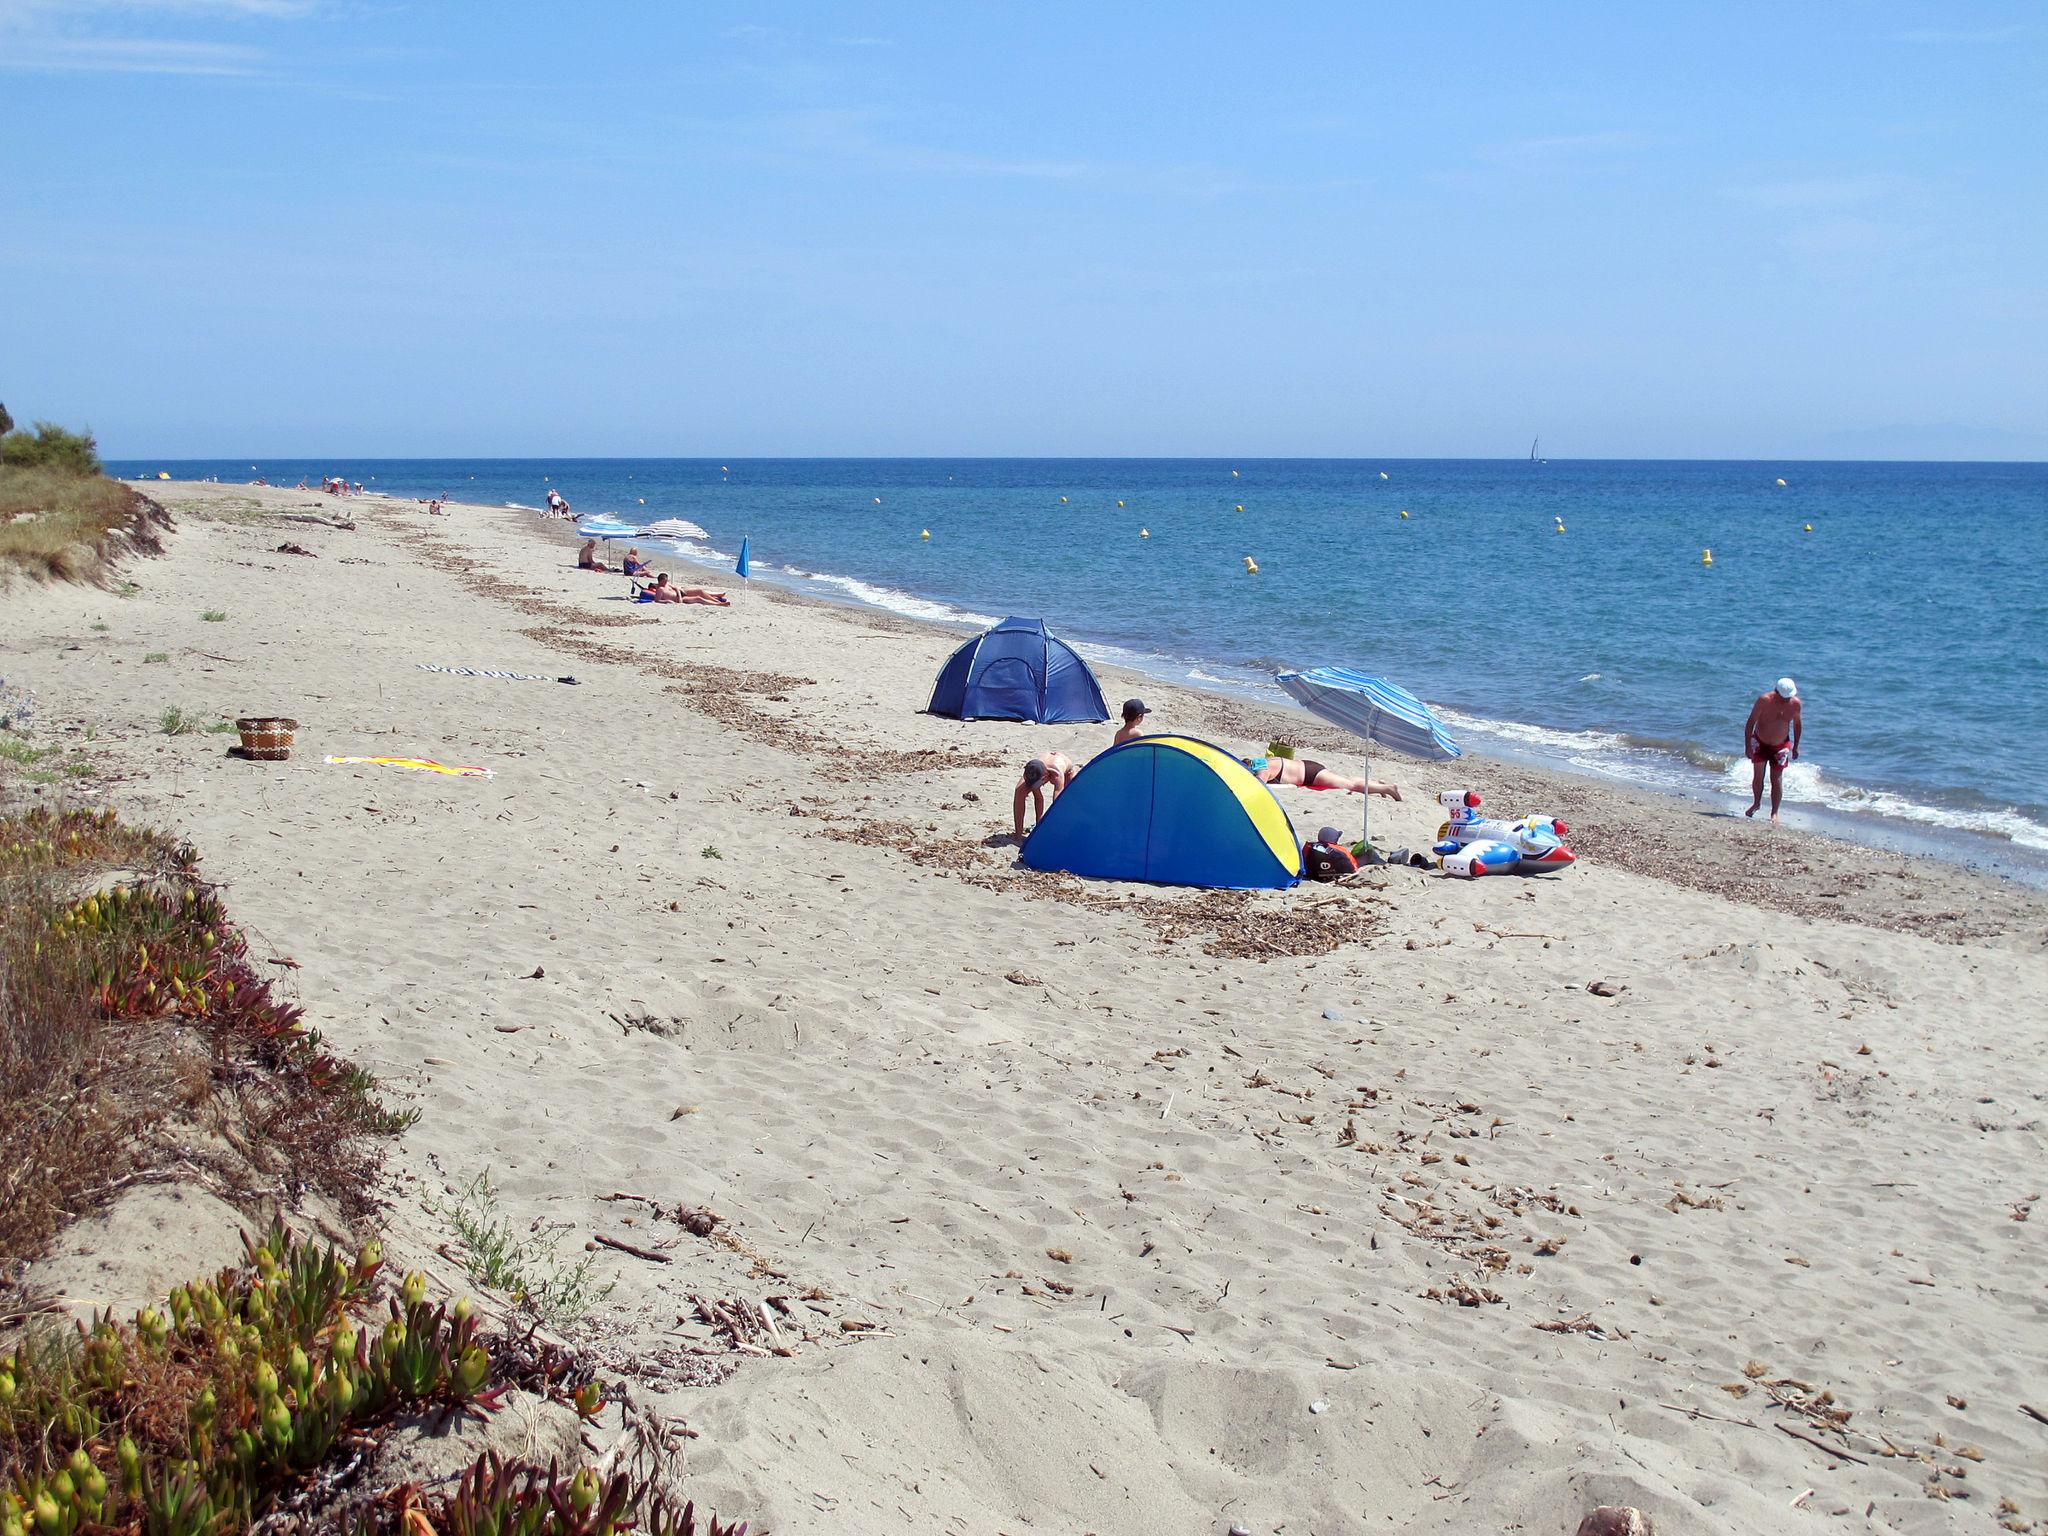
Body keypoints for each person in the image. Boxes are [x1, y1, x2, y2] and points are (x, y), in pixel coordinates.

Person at [1744, 677, 1803, 822]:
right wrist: (1747, 746)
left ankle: (1774, 812)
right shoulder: (1764, 701)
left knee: (1776, 779)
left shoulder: (1795, 704)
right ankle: (1756, 803)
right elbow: (1751, 722)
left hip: (1781, 745)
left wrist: (1796, 746)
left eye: (1787, 698)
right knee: (1758, 776)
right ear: (1775, 691)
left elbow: (1797, 725)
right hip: (1760, 741)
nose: (1785, 701)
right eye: (1782, 697)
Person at [1241, 753, 1401, 799]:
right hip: (1307, 769)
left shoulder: (1261, 769)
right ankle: (1377, 784)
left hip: (1310, 774)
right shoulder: (1259, 762)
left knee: (1350, 785)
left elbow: (1259, 785)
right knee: (1347, 781)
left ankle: (1388, 788)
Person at [1012, 752, 1077, 838]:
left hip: (1068, 772)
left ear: (1045, 776)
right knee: (1019, 792)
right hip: (1040, 770)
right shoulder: (1033, 770)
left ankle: (1065, 832)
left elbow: (1057, 802)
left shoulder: (1057, 775)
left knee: (1066, 802)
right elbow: (1039, 798)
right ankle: (1018, 834)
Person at [636, 573, 730, 605]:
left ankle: (716, 600)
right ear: (660, 581)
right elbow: (657, 600)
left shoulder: (667, 584)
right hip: (679, 599)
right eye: (664, 581)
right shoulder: (660, 589)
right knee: (698, 598)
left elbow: (676, 588)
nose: (666, 582)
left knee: (700, 591)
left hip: (680, 593)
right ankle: (719, 604)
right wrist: (668, 601)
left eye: (666, 580)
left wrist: (678, 591)